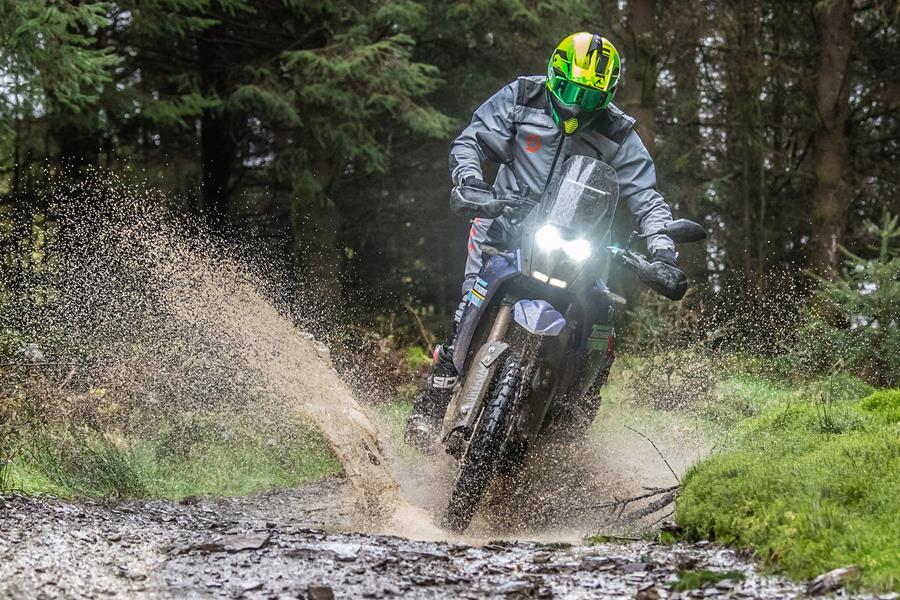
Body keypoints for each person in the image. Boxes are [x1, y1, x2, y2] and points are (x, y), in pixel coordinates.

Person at [404, 32, 677, 450]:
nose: (576, 104)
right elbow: (473, 139)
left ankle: (578, 412)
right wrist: (472, 184)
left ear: (607, 95)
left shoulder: (619, 133)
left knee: (599, 318)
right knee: (468, 304)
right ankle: (435, 396)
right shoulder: (522, 95)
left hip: (581, 242)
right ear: (553, 75)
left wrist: (661, 248)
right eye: (568, 89)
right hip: (506, 223)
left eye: (589, 96)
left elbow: (646, 196)